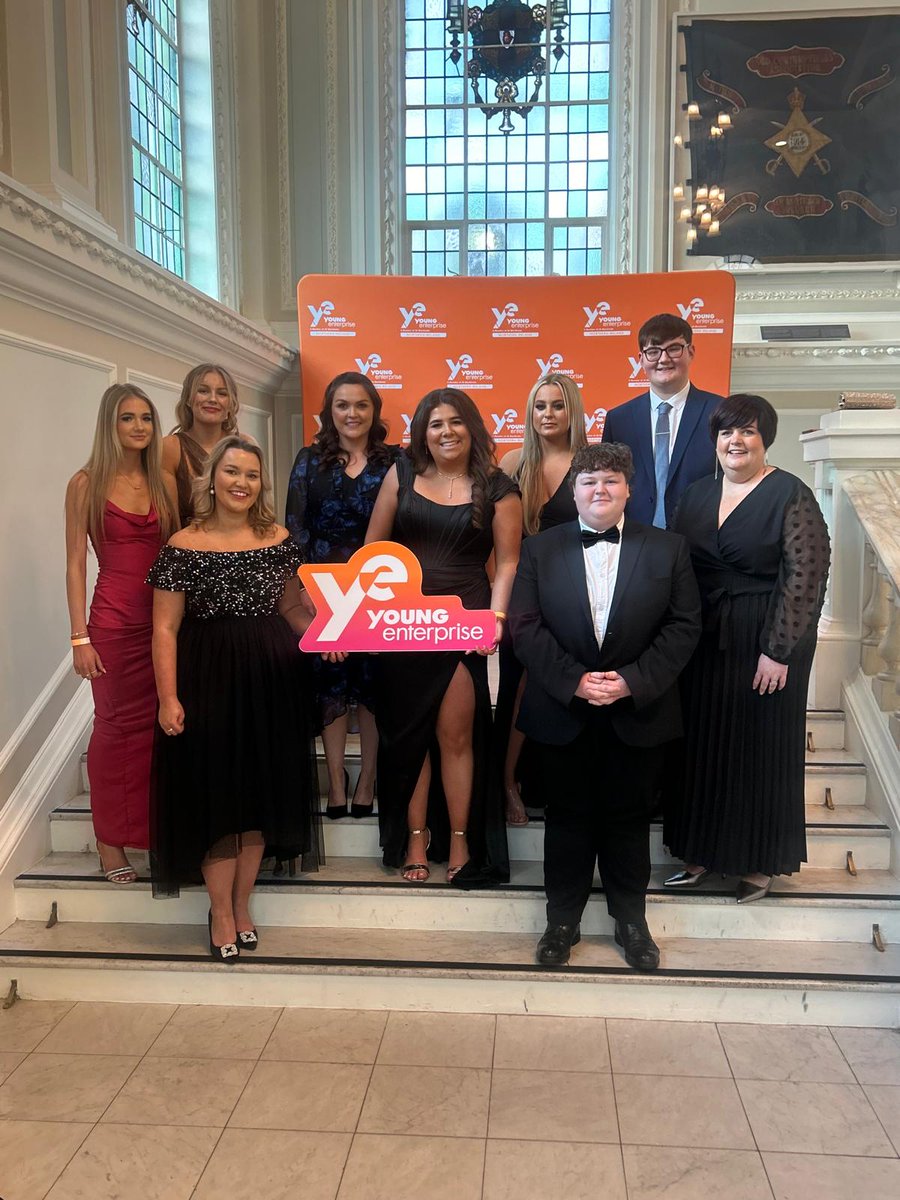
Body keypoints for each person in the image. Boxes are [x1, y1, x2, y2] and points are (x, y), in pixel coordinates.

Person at [510, 442, 701, 970]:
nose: (600, 490)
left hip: (638, 712)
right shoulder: (539, 550)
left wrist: (632, 682)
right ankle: (561, 923)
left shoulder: (669, 549)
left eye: (611, 481)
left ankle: (631, 923)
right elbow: (525, 627)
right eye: (589, 482)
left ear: (629, 490)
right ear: (573, 492)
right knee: (566, 820)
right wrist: (575, 681)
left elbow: (685, 626)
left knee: (629, 821)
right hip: (562, 711)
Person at [148, 436, 320, 960]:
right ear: (211, 479)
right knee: (218, 798)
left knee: (258, 798)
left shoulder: (279, 538)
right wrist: (167, 697)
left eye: (250, 474)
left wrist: (326, 637)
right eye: (231, 472)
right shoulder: (182, 544)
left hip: (272, 681)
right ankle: (219, 910)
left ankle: (242, 904)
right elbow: (164, 629)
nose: (241, 483)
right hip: (207, 682)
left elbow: (294, 611)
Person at [665, 394, 830, 902]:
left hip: (767, 636)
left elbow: (806, 576)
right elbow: (675, 568)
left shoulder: (791, 494)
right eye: (726, 433)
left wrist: (778, 650)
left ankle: (759, 864)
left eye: (747, 432)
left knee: (760, 750)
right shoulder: (694, 495)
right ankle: (698, 854)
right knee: (699, 748)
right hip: (704, 637)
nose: (735, 441)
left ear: (765, 439)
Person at [365, 388, 522, 886]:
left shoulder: (500, 488)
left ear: (472, 427)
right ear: (422, 432)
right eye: (435, 424)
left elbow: (509, 561)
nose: (445, 432)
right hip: (401, 624)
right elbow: (372, 550)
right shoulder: (401, 474)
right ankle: (415, 837)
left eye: (455, 422)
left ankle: (459, 837)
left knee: (454, 737)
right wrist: (360, 619)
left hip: (462, 621)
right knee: (406, 735)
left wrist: (495, 620)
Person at [64, 384, 178, 883]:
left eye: (146, 418)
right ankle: (109, 842)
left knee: (159, 731)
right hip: (112, 624)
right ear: (109, 425)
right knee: (113, 732)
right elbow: (73, 564)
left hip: (164, 625)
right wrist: (79, 637)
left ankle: (154, 834)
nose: (138, 427)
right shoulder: (85, 483)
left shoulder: (165, 483)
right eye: (127, 418)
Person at [285, 372, 400, 819]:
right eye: (342, 406)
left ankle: (368, 778)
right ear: (329, 412)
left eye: (361, 406)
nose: (352, 414)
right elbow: (295, 529)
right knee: (329, 686)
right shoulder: (309, 460)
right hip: (322, 594)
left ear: (374, 411)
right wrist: (305, 593)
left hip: (378, 592)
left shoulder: (395, 460)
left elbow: (403, 528)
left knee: (371, 688)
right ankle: (336, 779)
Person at [497, 373, 587, 825]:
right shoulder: (514, 462)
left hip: (578, 595)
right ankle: (507, 781)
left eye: (557, 405)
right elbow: (495, 541)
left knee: (567, 690)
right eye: (539, 406)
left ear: (573, 410)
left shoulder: (591, 461)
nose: (547, 414)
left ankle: (558, 783)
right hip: (524, 594)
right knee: (521, 689)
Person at [601, 313, 723, 528]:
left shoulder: (720, 411)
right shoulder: (618, 419)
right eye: (653, 352)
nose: (664, 359)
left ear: (691, 352)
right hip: (634, 540)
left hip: (701, 539)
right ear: (641, 359)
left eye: (674, 349)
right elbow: (607, 482)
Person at [162, 363, 242, 526]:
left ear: (230, 404)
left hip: (242, 546)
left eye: (222, 393)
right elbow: (170, 521)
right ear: (189, 400)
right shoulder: (170, 447)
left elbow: (257, 510)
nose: (212, 399)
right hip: (189, 546)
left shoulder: (244, 445)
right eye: (203, 391)